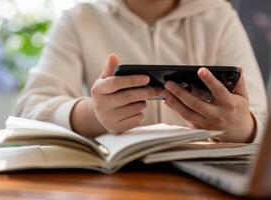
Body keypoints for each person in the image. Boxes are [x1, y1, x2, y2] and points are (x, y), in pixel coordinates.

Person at [14, 0, 268, 143]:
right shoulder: (79, 18)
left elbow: (262, 119)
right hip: (111, 183)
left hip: (206, 184)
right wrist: (92, 114)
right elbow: (27, 111)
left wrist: (243, 126)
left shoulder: (219, 16)